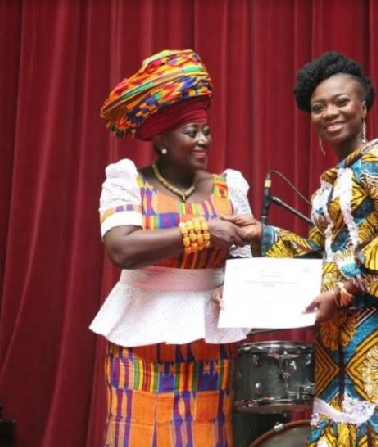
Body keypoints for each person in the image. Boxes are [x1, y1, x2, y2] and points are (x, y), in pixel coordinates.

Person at [223, 51, 378, 446]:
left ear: (363, 107)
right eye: (319, 107)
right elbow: (319, 257)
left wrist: (345, 290)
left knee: (371, 426)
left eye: (341, 102)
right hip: (335, 325)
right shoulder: (330, 184)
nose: (330, 112)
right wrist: (261, 234)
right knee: (336, 425)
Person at [90, 49, 252, 447]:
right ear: (161, 138)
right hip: (139, 344)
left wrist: (232, 284)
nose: (203, 140)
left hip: (208, 342)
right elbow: (121, 250)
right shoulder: (127, 182)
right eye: (190, 132)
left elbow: (244, 262)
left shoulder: (229, 188)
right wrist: (201, 232)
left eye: (206, 130)